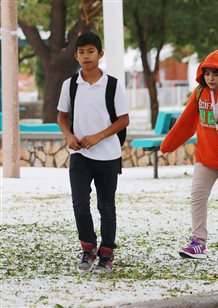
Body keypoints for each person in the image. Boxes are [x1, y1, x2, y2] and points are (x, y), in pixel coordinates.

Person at [160, 50, 218, 262]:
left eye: (215, 74)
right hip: (206, 158)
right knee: (198, 197)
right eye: (207, 73)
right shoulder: (199, 93)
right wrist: (167, 145)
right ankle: (198, 243)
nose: (210, 78)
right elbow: (186, 122)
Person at [57, 32, 129, 273]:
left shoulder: (113, 85)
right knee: (79, 203)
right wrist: (69, 136)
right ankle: (87, 249)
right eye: (81, 52)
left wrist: (99, 136)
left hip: (108, 155)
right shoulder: (70, 85)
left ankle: (106, 254)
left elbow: (123, 120)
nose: (85, 56)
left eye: (90, 51)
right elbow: (61, 116)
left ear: (100, 54)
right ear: (76, 56)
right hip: (79, 156)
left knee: (106, 206)